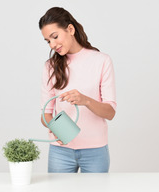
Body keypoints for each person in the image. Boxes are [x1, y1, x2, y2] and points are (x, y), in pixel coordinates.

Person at [39, 7, 116, 173]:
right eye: (48, 41)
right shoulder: (50, 67)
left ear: (70, 29)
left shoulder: (101, 61)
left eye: (55, 37)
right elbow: (46, 114)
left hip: (95, 150)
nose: (53, 45)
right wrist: (56, 129)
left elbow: (110, 113)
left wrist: (85, 100)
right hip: (60, 151)